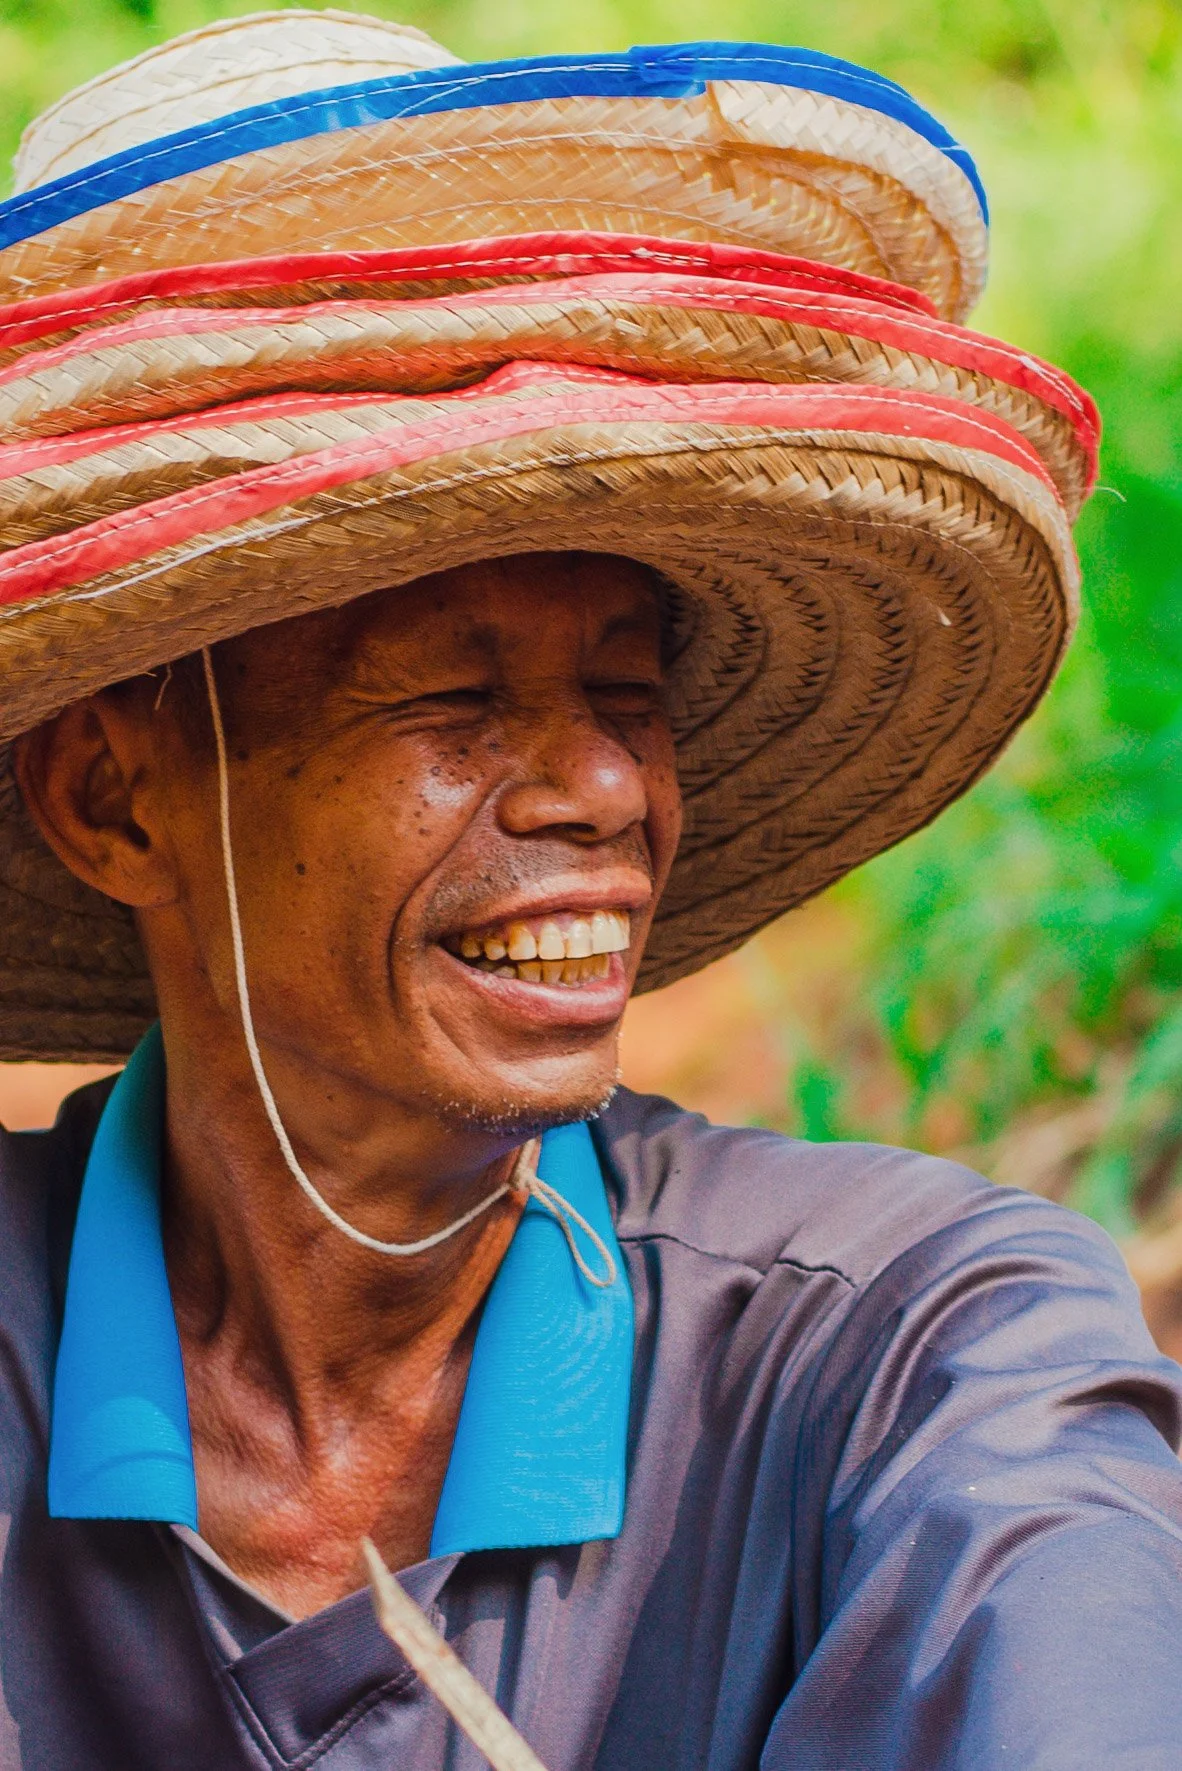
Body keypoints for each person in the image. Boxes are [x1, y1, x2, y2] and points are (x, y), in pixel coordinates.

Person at [0, 12, 1178, 1769]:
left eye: (626, 696)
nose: (608, 788)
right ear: (115, 798)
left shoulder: (910, 1357)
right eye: (454, 701)